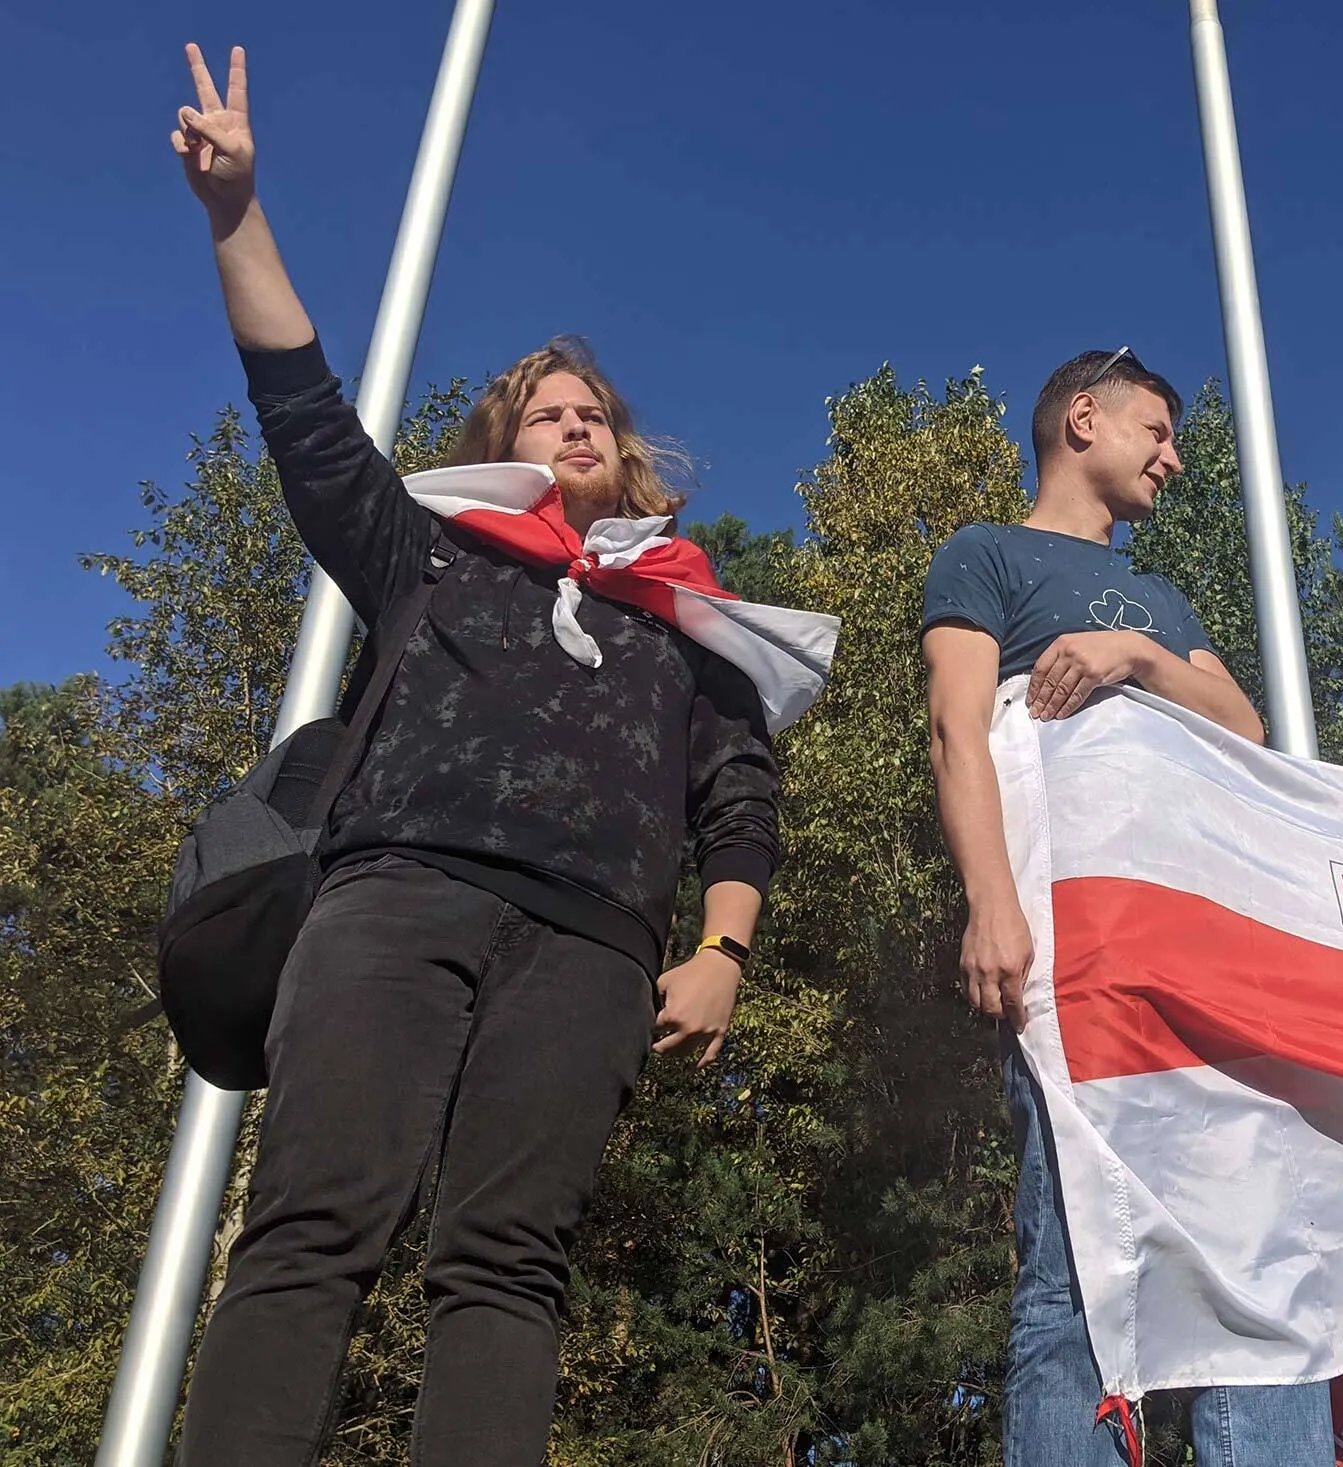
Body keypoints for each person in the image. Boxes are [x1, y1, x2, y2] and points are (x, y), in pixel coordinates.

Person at [169, 45, 789, 1466]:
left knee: (509, 1263)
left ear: (627, 456)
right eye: (545, 409)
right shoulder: (430, 550)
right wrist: (235, 213)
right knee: (314, 1223)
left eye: (596, 413)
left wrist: (724, 950)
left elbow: (739, 791)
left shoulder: (690, 613)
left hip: (594, 946)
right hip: (395, 896)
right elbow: (308, 419)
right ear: (503, 441)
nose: (575, 420)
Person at [921, 348, 1331, 1465]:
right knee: (1074, 1266)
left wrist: (1136, 653)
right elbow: (957, 729)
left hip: (1199, 958)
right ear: (1082, 422)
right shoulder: (984, 556)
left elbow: (1241, 728)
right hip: (1075, 959)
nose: (1175, 456)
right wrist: (990, 905)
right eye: (1157, 430)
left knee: (1252, 1255)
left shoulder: (1155, 600)